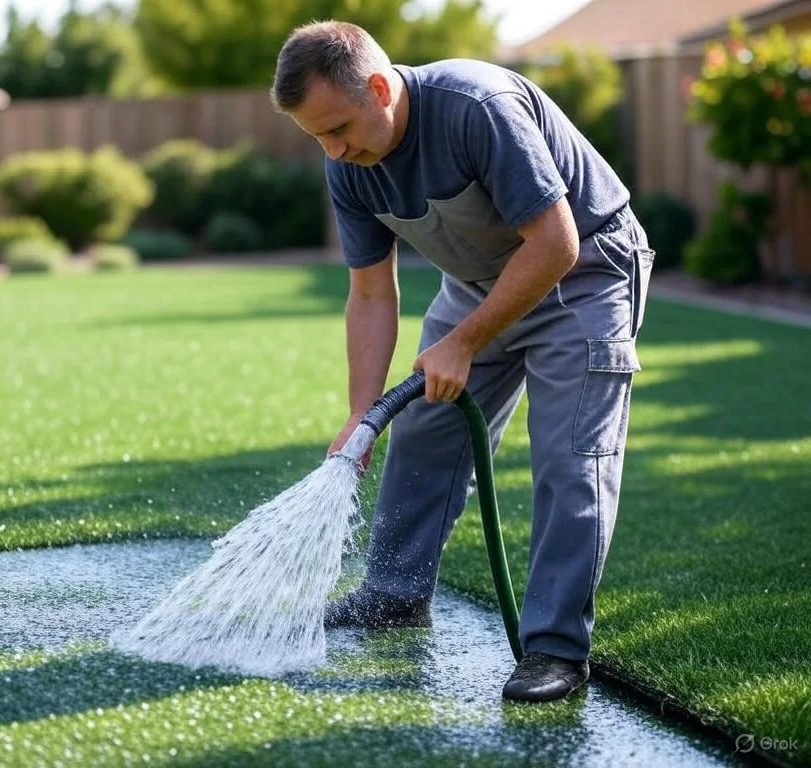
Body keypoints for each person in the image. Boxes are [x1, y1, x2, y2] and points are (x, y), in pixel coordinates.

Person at [270, 21, 655, 703]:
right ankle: (394, 593)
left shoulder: (473, 107)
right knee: (420, 429)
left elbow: (557, 242)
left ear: (382, 89)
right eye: (317, 137)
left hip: (586, 271)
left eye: (338, 128)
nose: (332, 149)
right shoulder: (348, 164)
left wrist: (466, 342)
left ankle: (555, 649)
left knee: (572, 458)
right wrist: (363, 417)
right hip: (480, 283)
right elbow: (369, 290)